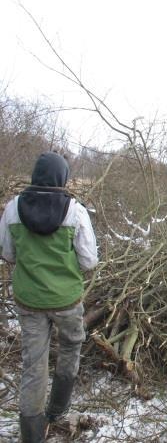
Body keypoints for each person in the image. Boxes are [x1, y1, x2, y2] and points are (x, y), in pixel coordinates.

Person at [0, 152, 98, 442]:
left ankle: (32, 434)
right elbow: (89, 260)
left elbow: (7, 252)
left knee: (34, 363)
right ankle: (57, 409)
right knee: (70, 347)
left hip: (29, 300)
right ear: (63, 177)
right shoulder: (75, 211)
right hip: (67, 300)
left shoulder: (13, 208)